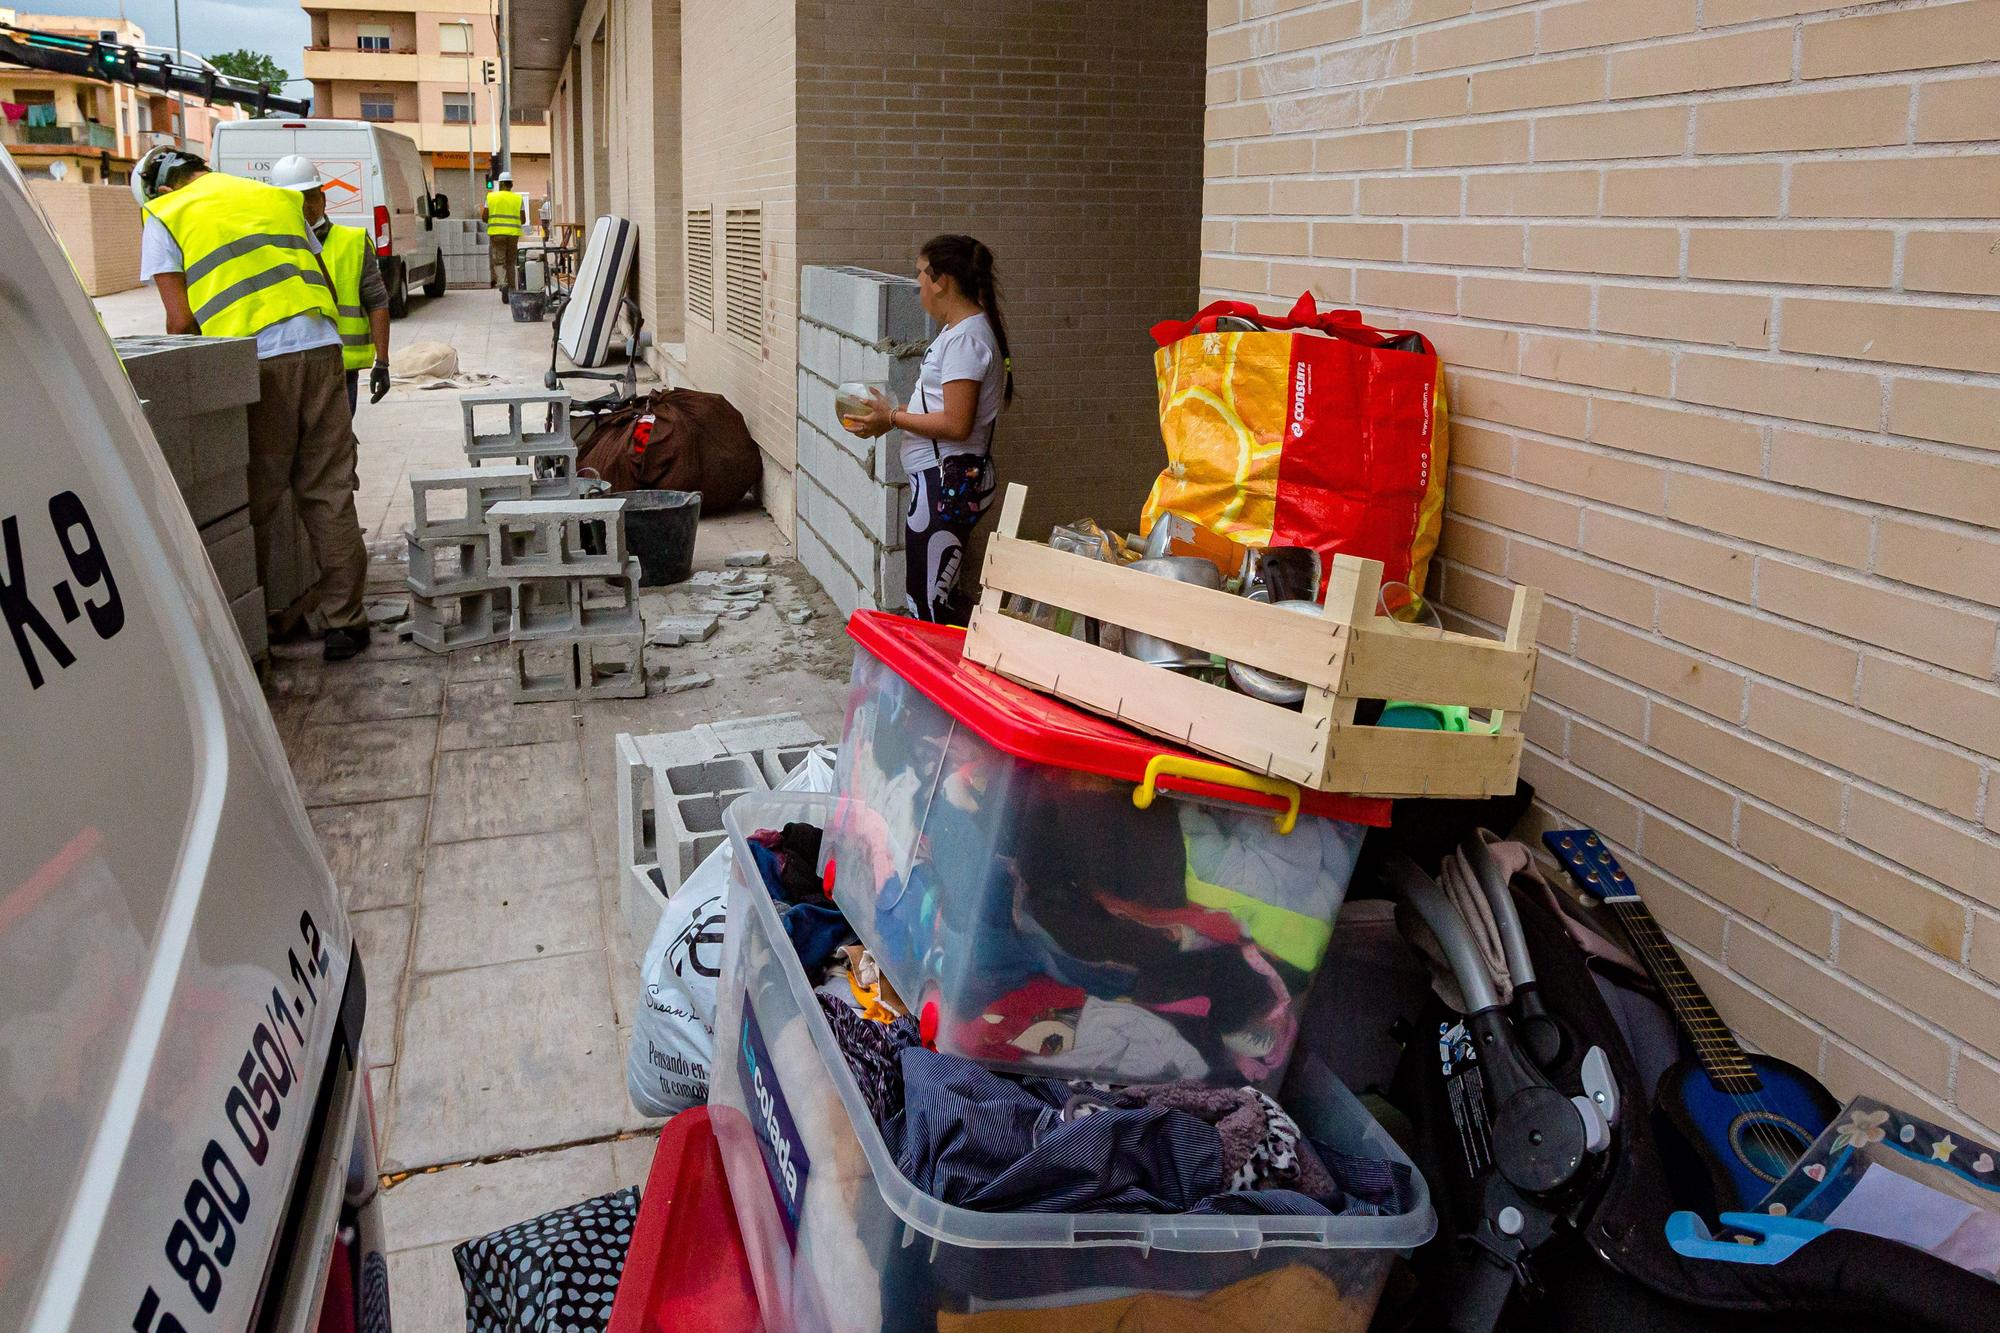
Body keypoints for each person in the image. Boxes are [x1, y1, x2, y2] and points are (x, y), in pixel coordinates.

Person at [136, 146, 373, 661]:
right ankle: (345, 623)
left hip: (255, 364)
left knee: (253, 500)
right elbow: (323, 279)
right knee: (329, 489)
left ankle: (256, 625)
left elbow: (179, 323)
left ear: (160, 188)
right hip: (321, 348)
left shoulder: (165, 214)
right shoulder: (272, 199)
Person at [845, 234, 1014, 626]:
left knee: (927, 604)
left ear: (943, 281)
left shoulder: (966, 339)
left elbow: (956, 423)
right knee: (937, 593)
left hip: (945, 485)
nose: (917, 283)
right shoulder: (963, 333)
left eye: (920, 274)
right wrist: (895, 413)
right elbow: (944, 411)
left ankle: (940, 681)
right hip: (940, 483)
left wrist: (892, 417)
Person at [270, 154, 390, 416]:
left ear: (323, 199)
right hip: (286, 366)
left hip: (340, 367)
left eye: (310, 196)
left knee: (336, 445)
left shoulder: (352, 242)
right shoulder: (269, 247)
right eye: (295, 199)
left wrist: (382, 361)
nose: (304, 206)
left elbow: (377, 301)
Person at [482, 169, 526, 301]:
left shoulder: (491, 197)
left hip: (497, 234)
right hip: (513, 235)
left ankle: (503, 283)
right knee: (511, 262)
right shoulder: (518, 198)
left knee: (499, 261)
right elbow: (523, 219)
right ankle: (512, 289)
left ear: (500, 184)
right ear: (511, 184)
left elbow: (484, 217)